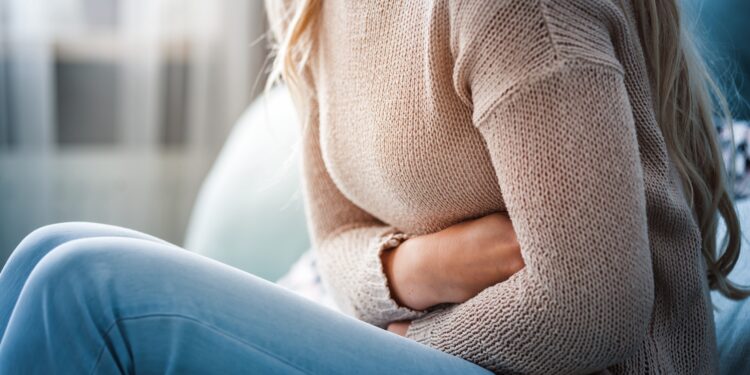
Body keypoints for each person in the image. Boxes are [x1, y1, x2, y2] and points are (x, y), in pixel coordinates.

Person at [0, 0, 747, 373]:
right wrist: (417, 267)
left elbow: (593, 306)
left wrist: (409, 334)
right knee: (47, 252)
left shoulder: (515, 11)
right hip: (438, 348)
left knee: (81, 282)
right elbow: (335, 242)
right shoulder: (310, 9)